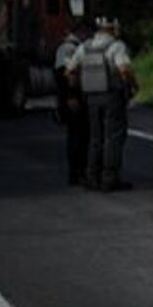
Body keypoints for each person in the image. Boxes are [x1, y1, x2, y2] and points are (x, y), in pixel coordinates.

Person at [65, 15, 136, 191]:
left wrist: (76, 90)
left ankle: (92, 177)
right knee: (112, 137)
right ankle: (109, 178)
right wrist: (133, 86)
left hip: (91, 97)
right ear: (112, 28)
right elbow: (124, 69)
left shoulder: (85, 47)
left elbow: (69, 71)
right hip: (112, 96)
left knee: (95, 138)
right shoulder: (116, 46)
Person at [52, 25, 91, 186]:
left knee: (82, 137)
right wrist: (71, 96)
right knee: (77, 137)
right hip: (71, 100)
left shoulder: (75, 48)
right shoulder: (67, 48)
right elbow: (66, 74)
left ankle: (80, 172)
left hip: (76, 98)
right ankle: (76, 173)